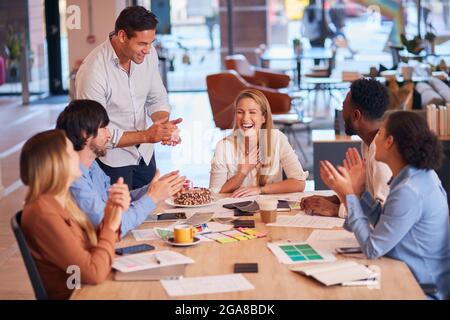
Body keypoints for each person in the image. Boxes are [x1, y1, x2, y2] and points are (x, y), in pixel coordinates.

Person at [320, 111, 450, 300]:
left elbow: (373, 248)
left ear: (389, 141)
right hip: (405, 272)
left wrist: (348, 195)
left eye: (380, 133)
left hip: (421, 288)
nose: (375, 139)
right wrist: (358, 193)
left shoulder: (409, 190)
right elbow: (387, 221)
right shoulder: (416, 176)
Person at [75, 6, 181, 190]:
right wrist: (147, 135)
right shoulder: (93, 72)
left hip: (145, 155)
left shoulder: (149, 54)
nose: (148, 50)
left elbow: (157, 97)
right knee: (119, 216)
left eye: (150, 43)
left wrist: (163, 126)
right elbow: (94, 130)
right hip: (112, 160)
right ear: (123, 36)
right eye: (142, 44)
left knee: (149, 212)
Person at [20, 129, 131, 299]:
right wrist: (110, 225)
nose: (77, 155)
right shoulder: (44, 214)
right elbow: (93, 272)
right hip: (80, 293)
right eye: (71, 151)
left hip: (88, 288)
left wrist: (111, 212)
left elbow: (91, 245)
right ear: (57, 163)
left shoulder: (60, 201)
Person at [56, 100, 186, 236]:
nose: (109, 135)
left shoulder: (92, 165)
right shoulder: (74, 180)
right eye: (103, 128)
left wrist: (153, 189)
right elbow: (112, 226)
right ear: (84, 134)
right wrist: (152, 197)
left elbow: (113, 203)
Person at [301, 78, 392, 217]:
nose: (341, 114)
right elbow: (368, 195)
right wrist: (335, 199)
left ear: (356, 116)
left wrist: (335, 210)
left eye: (343, 107)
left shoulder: (382, 155)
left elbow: (383, 213)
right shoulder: (368, 143)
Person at [209, 89, 308, 197]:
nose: (245, 118)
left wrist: (260, 189)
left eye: (252, 112)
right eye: (240, 112)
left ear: (263, 117)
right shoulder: (223, 146)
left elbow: (299, 183)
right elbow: (215, 192)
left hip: (270, 209)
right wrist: (242, 172)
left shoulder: (277, 138)